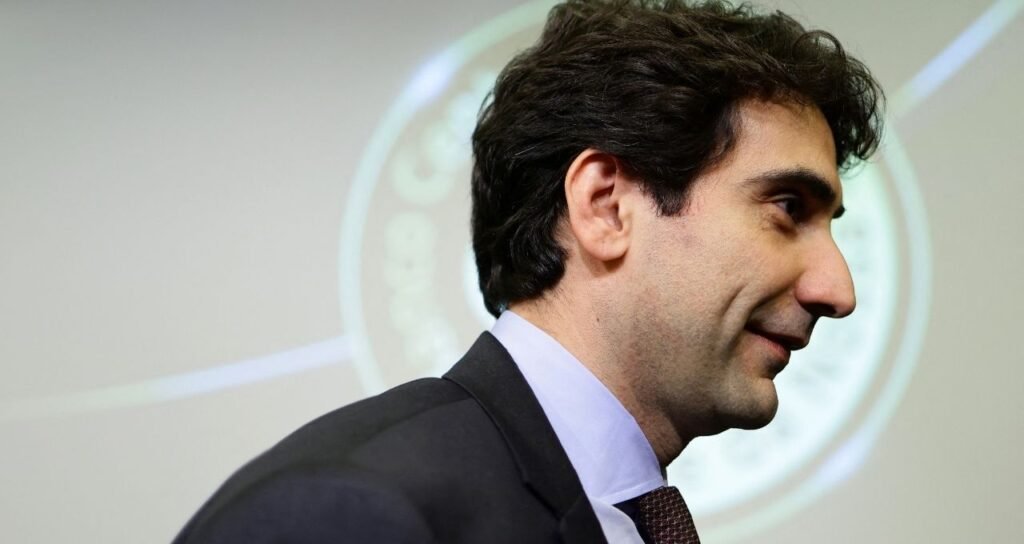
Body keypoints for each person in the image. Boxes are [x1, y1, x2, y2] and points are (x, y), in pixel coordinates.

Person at [173, 1, 883, 542]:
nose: (838, 291)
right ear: (605, 206)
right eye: (787, 207)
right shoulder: (351, 515)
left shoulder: (625, 516)